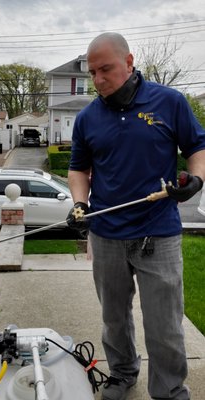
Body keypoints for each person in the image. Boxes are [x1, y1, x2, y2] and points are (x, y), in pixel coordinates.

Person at [66, 32, 205, 400]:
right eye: (92, 72)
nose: (97, 80)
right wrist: (80, 204)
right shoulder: (87, 118)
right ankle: (124, 374)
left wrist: (196, 179)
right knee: (114, 319)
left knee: (164, 325)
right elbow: (78, 170)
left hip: (158, 233)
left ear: (129, 62)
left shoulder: (170, 102)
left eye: (105, 69)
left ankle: (170, 389)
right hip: (107, 233)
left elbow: (198, 148)